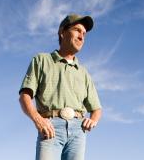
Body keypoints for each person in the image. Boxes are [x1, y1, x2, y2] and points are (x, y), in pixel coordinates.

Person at [19, 13, 102, 160]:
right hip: (50, 128)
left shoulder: (83, 73)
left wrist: (93, 120)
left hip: (78, 131)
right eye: (77, 30)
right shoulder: (42, 60)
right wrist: (38, 120)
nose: (82, 37)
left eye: (84, 34)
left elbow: (97, 109)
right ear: (62, 32)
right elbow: (25, 96)